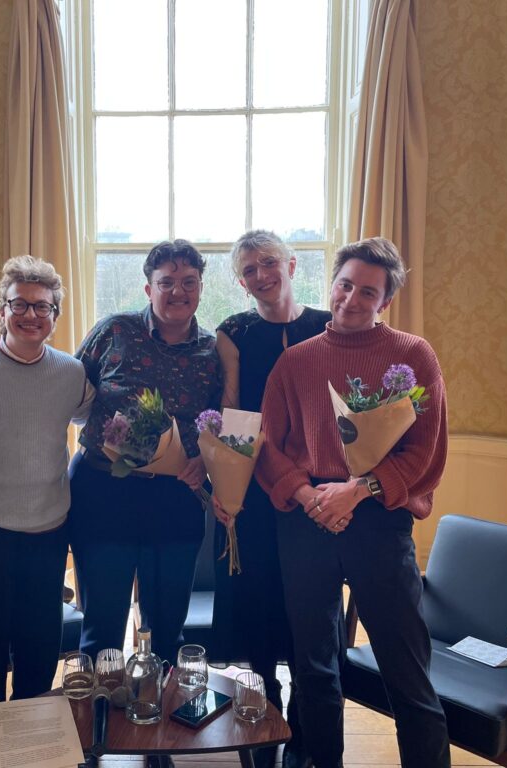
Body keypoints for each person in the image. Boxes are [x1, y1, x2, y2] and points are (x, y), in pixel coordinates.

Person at [256, 237, 451, 768]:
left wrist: (358, 490)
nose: (351, 299)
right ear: (331, 283)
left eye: (368, 291)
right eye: (345, 285)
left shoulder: (412, 357)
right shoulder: (295, 361)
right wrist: (305, 493)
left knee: (405, 666)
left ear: (385, 300)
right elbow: (268, 446)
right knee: (314, 665)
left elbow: (425, 451)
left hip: (378, 520)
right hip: (307, 518)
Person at [0, 255, 92, 768]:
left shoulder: (71, 374)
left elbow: (94, 422)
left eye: (42, 306)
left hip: (49, 532)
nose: (31, 315)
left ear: (55, 313)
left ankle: (31, 739)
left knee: (38, 643)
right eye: (20, 305)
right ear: (1, 310)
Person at [70, 239, 221, 674]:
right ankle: (97, 728)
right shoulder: (114, 330)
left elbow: (221, 422)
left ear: (201, 287)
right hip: (102, 491)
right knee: (101, 625)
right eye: (166, 282)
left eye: (188, 282)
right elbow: (67, 390)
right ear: (147, 288)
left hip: (175, 498)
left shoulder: (212, 353)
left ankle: (160, 728)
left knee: (168, 626)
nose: (178, 291)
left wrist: (207, 462)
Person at [212, 230, 329, 768]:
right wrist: (228, 489)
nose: (261, 275)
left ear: (292, 264)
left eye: (268, 263)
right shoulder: (234, 332)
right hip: (256, 492)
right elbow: (235, 412)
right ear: (240, 282)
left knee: (310, 611)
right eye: (249, 270)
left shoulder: (328, 323)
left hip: (316, 489)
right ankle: (266, 719)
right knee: (260, 607)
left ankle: (309, 729)